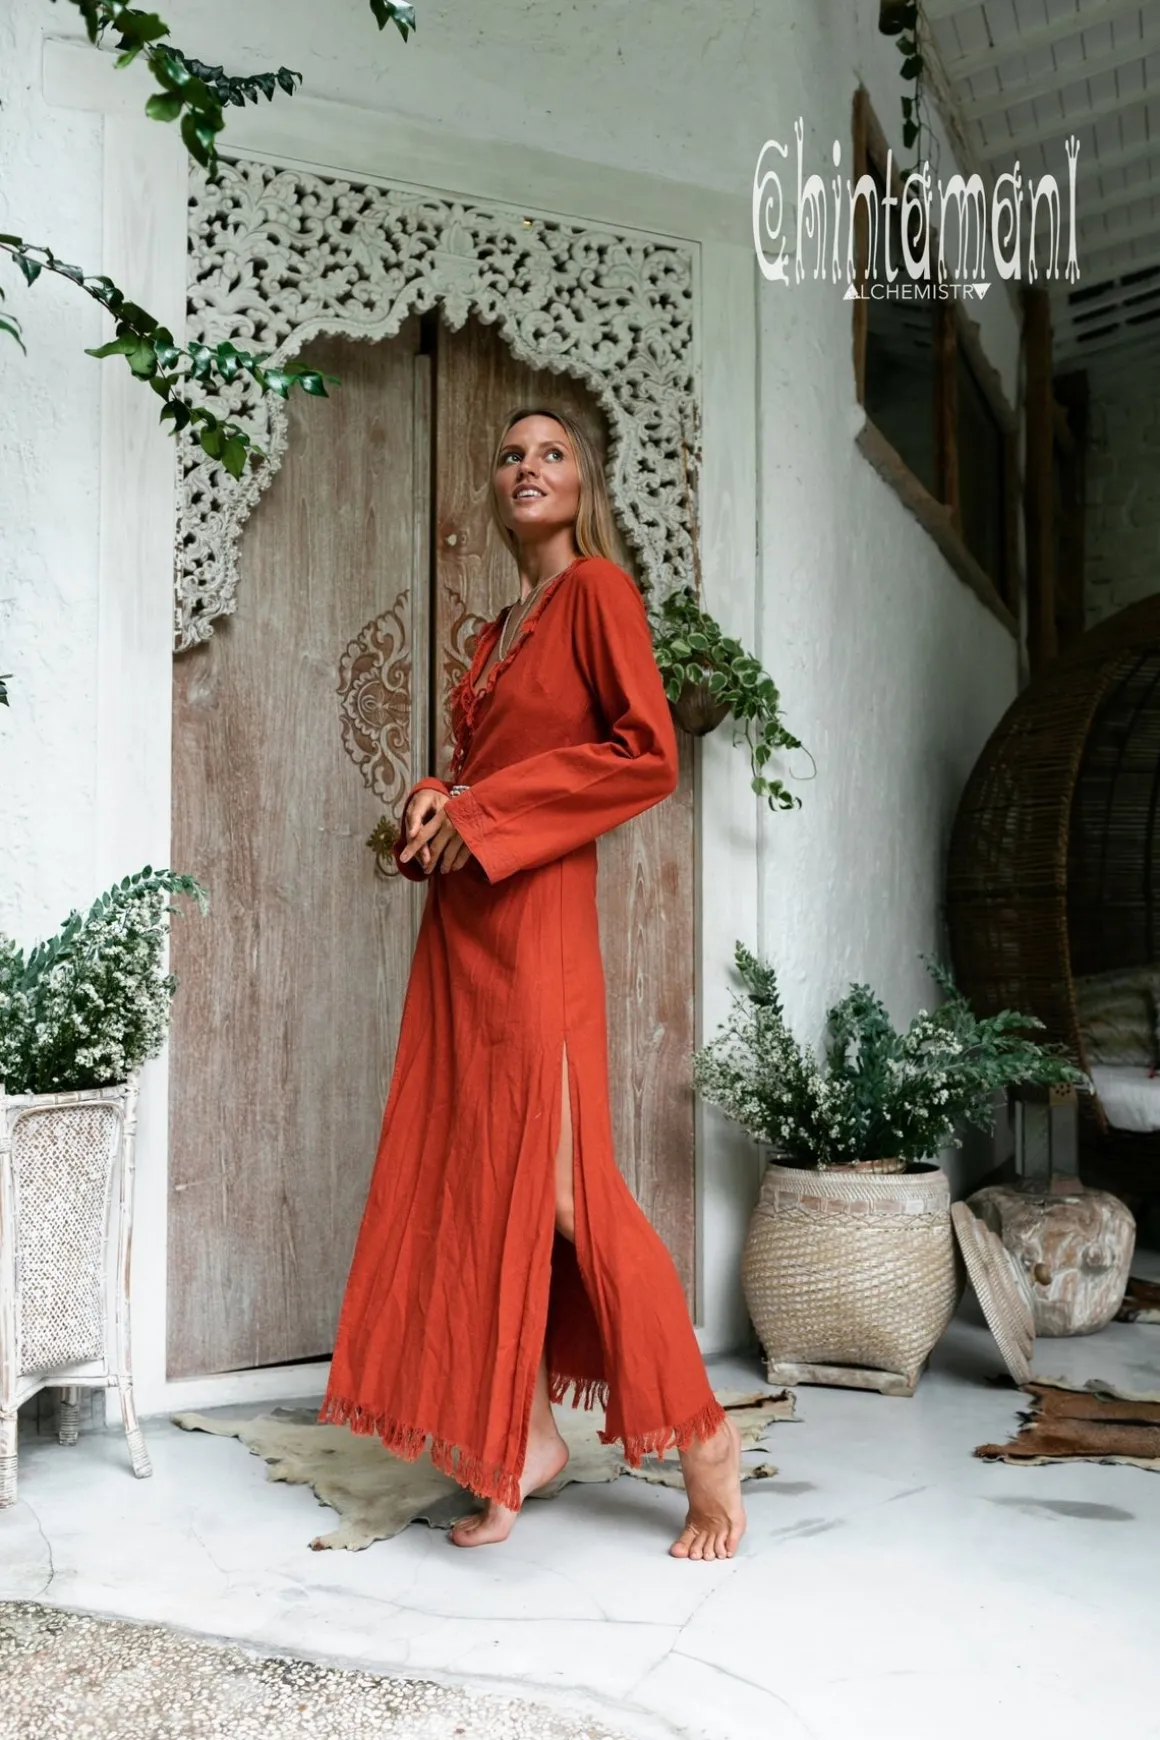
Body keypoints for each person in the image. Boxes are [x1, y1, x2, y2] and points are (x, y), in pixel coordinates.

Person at [320, 407, 746, 1561]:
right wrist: (434, 801)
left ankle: (703, 1440)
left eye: (550, 453)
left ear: (581, 484)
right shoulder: (497, 631)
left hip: (539, 924)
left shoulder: (597, 592)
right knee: (473, 1185)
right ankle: (518, 1440)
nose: (526, 466)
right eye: (510, 454)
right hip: (465, 938)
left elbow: (643, 755)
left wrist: (487, 813)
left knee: (567, 1197)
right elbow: (480, 778)